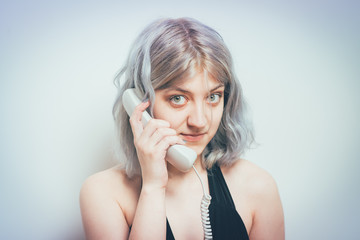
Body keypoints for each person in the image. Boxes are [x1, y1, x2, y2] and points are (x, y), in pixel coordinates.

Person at [80, 17, 284, 240]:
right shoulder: (102, 193)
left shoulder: (257, 186)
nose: (199, 121)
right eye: (178, 98)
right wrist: (153, 187)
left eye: (213, 97)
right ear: (139, 102)